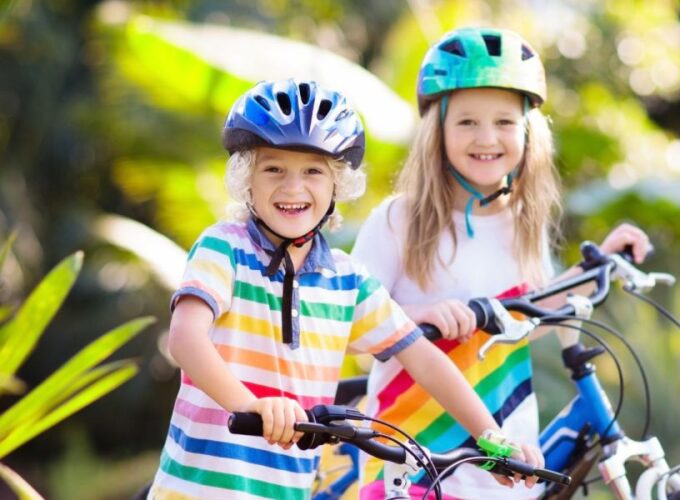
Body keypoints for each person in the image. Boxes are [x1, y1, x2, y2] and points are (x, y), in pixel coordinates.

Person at [147, 78, 541, 499]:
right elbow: (186, 339)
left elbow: (424, 360)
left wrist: (491, 437)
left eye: (313, 171)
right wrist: (250, 405)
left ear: (338, 185)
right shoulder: (223, 248)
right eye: (273, 168)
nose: (293, 187)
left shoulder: (347, 281)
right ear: (247, 180)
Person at [353, 27, 652, 499]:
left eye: (505, 122)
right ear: (438, 131)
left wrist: (599, 260)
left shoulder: (521, 224)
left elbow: (528, 316)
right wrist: (412, 319)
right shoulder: (397, 221)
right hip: (415, 464)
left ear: (528, 130)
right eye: (467, 121)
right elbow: (343, 328)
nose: (487, 137)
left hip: (506, 464)